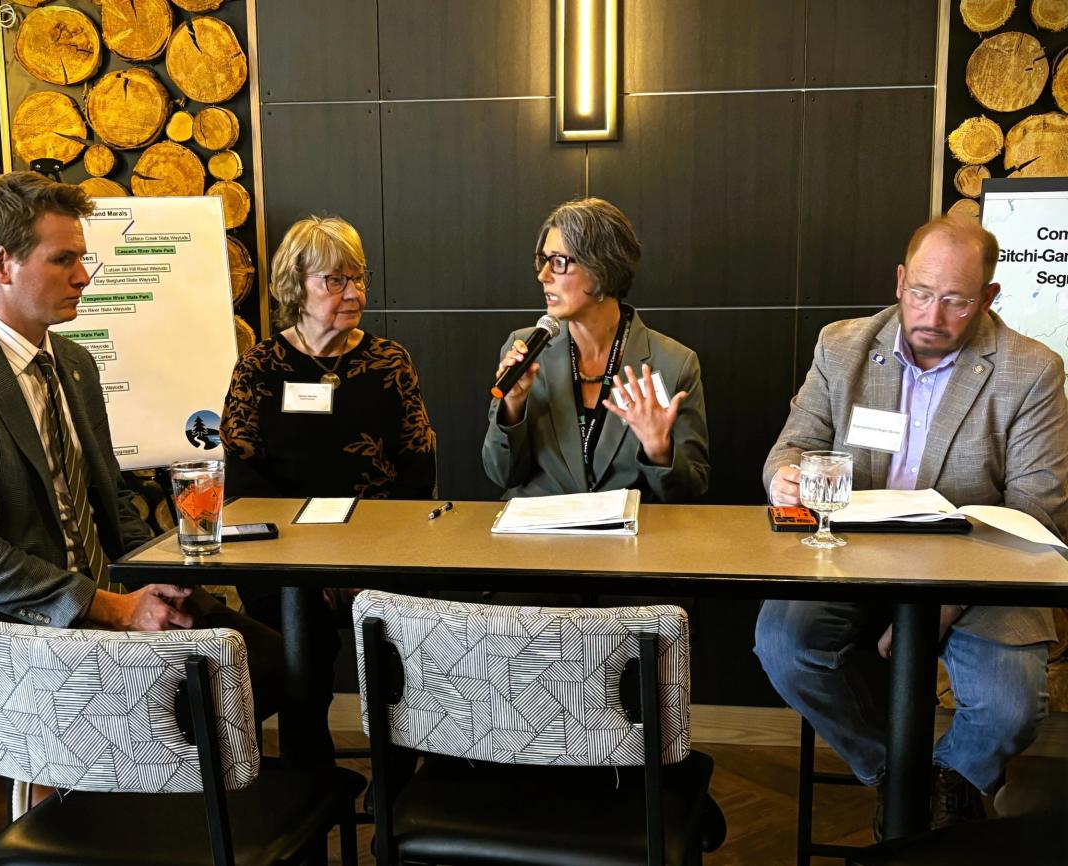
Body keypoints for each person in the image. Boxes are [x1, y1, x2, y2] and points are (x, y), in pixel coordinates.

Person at [0, 172, 284, 732]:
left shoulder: (73, 362)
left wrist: (158, 576)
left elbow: (109, 497)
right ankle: (123, 779)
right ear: (0, 265)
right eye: (63, 260)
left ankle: (176, 778)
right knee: (195, 696)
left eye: (82, 258)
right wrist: (115, 609)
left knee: (273, 660)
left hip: (100, 596)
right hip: (1, 637)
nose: (83, 277)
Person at [755, 215, 1068, 835]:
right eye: (921, 293)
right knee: (784, 648)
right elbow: (792, 447)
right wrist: (784, 479)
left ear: (988, 297)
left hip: (981, 568)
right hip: (852, 557)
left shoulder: (1032, 371)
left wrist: (943, 608)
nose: (932, 315)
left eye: (956, 300)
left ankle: (954, 775)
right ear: (900, 281)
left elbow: (1038, 510)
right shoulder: (841, 346)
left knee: (1012, 707)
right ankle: (901, 777)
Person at [482, 197, 709, 501]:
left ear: (601, 267)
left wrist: (659, 450)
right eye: (542, 260)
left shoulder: (674, 363)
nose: (543, 276)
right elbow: (501, 474)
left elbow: (691, 492)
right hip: (540, 528)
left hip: (629, 529)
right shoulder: (524, 350)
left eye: (558, 262)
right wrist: (513, 406)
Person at [221, 214, 435, 500]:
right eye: (335, 280)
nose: (354, 294)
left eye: (358, 278)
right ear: (295, 285)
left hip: (379, 524)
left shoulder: (390, 362)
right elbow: (243, 477)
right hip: (285, 526)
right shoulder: (257, 368)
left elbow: (418, 466)